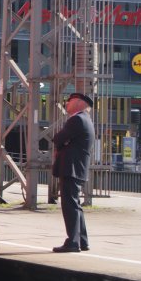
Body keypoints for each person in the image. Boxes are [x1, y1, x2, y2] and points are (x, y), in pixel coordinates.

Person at [51, 92, 95, 252]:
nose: (66, 104)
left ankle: (73, 242)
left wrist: (62, 142)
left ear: (78, 103)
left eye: (69, 101)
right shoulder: (86, 120)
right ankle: (82, 241)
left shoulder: (77, 120)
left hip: (71, 168)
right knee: (75, 204)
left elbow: (58, 138)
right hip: (78, 168)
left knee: (69, 205)